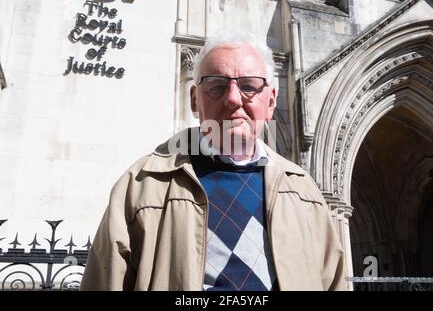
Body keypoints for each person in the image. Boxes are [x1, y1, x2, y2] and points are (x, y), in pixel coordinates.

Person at [80, 33, 346, 291]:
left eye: (249, 86)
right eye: (217, 85)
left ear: (271, 101)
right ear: (195, 99)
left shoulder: (304, 193)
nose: (232, 98)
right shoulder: (141, 185)